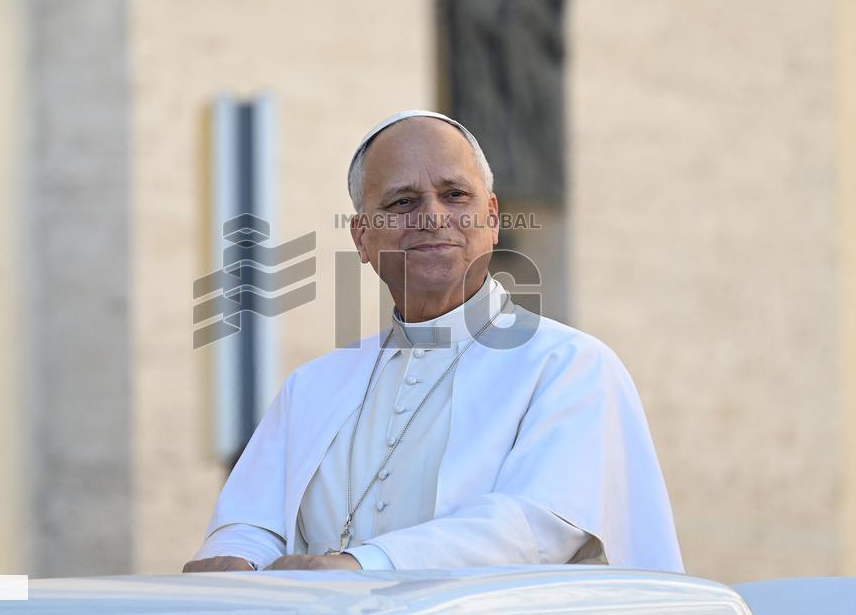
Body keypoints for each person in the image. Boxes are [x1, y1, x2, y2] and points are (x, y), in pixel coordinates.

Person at [184, 110, 683, 572]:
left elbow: (535, 525)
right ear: (361, 237)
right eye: (403, 202)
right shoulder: (314, 385)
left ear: (491, 218)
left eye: (455, 195)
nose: (431, 215)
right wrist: (237, 560)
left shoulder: (569, 366)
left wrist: (366, 565)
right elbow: (252, 520)